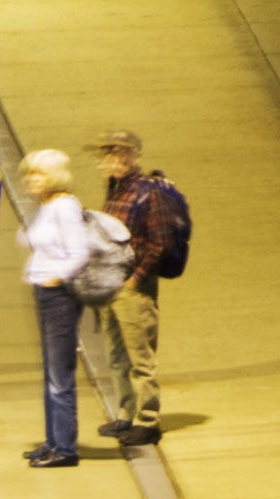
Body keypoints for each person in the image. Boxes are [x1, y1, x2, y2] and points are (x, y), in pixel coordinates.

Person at [92, 129, 186, 448]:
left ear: (135, 157)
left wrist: (134, 279)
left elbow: (160, 242)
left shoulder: (148, 194)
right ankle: (125, 413)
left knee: (140, 355)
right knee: (117, 353)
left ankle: (148, 420)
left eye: (119, 153)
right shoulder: (115, 189)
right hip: (111, 282)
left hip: (132, 286)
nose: (112, 160)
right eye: (108, 154)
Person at [17, 151, 90, 470]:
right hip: (44, 292)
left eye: (39, 174)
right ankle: (53, 440)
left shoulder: (65, 207)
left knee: (60, 374)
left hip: (58, 296)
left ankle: (65, 448)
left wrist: (55, 278)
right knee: (50, 371)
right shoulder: (47, 207)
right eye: (29, 174)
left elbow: (80, 252)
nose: (31, 180)